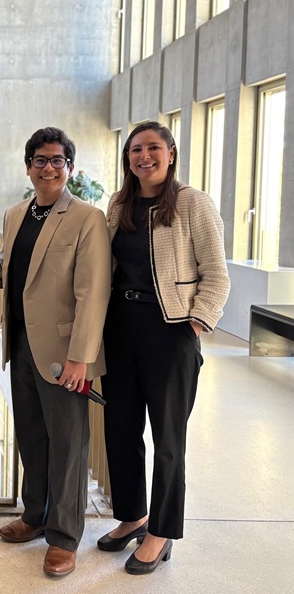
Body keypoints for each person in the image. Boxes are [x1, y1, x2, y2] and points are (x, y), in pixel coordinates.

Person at [0, 127, 111, 577]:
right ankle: (35, 515)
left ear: (70, 167)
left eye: (57, 160)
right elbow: (7, 265)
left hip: (65, 353)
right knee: (32, 436)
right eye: (40, 160)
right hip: (22, 345)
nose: (49, 168)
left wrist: (80, 357)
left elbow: (93, 292)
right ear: (28, 167)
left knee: (68, 445)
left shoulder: (87, 217)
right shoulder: (17, 214)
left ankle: (65, 537)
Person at [98, 121, 230, 574]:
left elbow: (217, 274)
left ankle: (161, 532)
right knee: (121, 429)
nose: (144, 156)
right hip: (120, 329)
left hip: (170, 332)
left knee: (168, 439)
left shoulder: (193, 203)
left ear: (171, 153)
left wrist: (195, 323)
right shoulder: (119, 204)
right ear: (128, 158)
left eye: (153, 147)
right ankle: (133, 516)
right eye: (136, 149)